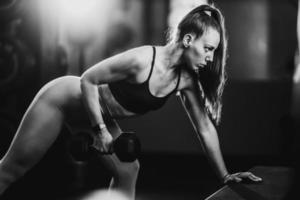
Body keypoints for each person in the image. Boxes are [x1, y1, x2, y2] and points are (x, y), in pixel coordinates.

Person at [0, 3, 262, 200]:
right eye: (208, 48)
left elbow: (204, 128)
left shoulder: (185, 82)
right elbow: (88, 80)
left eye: (214, 51)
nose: (210, 58)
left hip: (92, 114)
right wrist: (100, 131)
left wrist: (225, 175)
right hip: (62, 99)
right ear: (188, 39)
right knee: (11, 169)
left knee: (127, 171)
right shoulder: (141, 60)